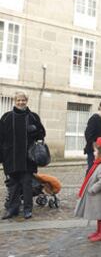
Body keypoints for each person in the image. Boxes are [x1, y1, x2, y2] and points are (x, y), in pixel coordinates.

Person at [0, 91, 46, 220]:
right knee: (13, 185)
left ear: (27, 101)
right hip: (11, 157)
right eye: (18, 100)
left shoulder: (33, 117)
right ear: (14, 101)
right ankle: (12, 209)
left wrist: (35, 131)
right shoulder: (6, 117)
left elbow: (41, 134)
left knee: (26, 184)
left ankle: (27, 210)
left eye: (23, 100)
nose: (21, 102)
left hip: (28, 158)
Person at [75, 137, 101, 242]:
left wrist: (93, 189)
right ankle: (99, 231)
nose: (94, 152)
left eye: (96, 151)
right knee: (99, 215)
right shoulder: (100, 164)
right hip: (99, 197)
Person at [84, 100, 101, 173]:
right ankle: (87, 184)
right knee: (92, 169)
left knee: (100, 170)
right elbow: (88, 134)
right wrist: (95, 147)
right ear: (100, 107)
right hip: (93, 150)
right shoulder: (94, 118)